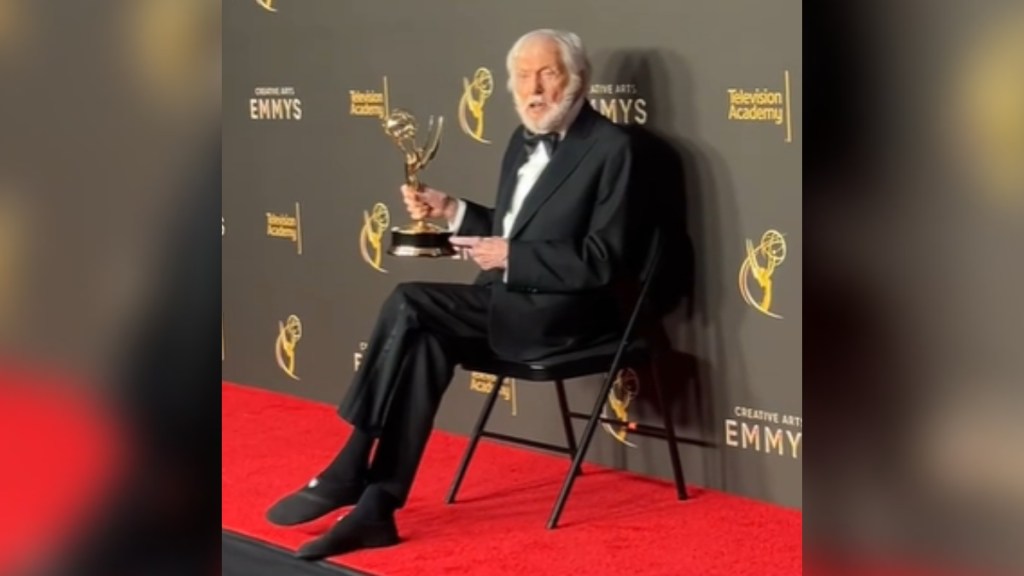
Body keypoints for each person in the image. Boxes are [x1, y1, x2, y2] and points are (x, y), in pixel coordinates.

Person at [267, 28, 641, 560]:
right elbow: (517, 226)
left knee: (409, 299)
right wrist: (452, 210)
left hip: (565, 318)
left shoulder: (613, 149)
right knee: (425, 342)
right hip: (505, 301)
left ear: (577, 80)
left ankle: (352, 457)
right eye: (521, 76)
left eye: (547, 73)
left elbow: (607, 260)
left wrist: (511, 256)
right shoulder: (521, 139)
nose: (533, 88)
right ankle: (376, 509)